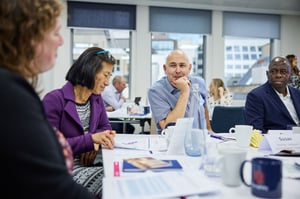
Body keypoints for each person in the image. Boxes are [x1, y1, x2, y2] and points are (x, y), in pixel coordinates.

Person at [0, 0, 96, 198]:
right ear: (28, 37)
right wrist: (90, 140)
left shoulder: (11, 88)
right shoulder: (10, 94)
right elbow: (54, 187)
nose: (61, 41)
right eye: (55, 32)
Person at [42, 47, 116, 198]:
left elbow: (105, 128)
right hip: (65, 170)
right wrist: (89, 141)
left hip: (92, 163)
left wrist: (93, 145)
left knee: (121, 177)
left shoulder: (96, 99)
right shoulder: (54, 100)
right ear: (90, 70)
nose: (108, 83)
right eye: (106, 75)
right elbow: (50, 147)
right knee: (114, 184)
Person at [148, 49, 213, 134]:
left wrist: (209, 129)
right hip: (172, 142)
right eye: (173, 65)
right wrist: (184, 92)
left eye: (182, 65)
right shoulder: (156, 91)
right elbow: (169, 128)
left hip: (199, 139)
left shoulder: (199, 82)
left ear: (189, 68)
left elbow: (204, 107)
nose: (178, 71)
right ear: (165, 69)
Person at [245, 56, 300, 134]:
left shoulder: (297, 94)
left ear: (290, 74)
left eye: (283, 71)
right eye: (273, 71)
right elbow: (257, 130)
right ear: (267, 74)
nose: (278, 75)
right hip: (277, 142)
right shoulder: (256, 96)